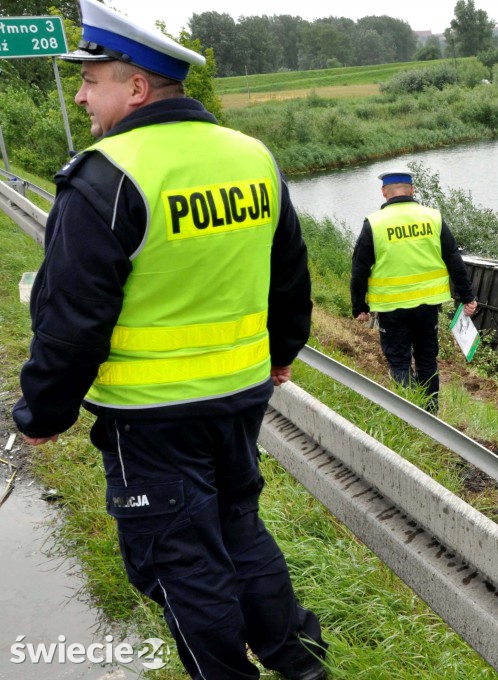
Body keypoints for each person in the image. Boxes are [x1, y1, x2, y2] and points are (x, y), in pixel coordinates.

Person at [11, 1, 327, 678]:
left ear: (136, 87)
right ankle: (302, 668)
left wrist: (41, 415)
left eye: (92, 78)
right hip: (241, 397)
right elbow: (291, 280)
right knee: (240, 529)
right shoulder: (252, 157)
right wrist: (278, 356)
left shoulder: (105, 176)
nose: (80, 92)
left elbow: (70, 323)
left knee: (183, 566)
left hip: (151, 420)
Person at [350, 171, 478, 413]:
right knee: (427, 362)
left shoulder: (375, 224)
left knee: (399, 363)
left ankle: (409, 419)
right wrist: (467, 297)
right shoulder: (433, 218)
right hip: (427, 307)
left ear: (384, 193)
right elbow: (454, 260)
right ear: (412, 190)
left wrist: (360, 306)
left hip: (392, 309)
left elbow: (359, 269)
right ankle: (431, 415)